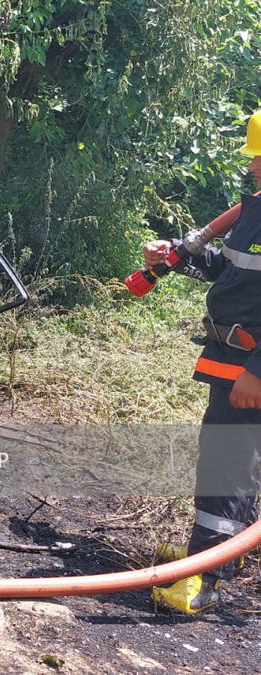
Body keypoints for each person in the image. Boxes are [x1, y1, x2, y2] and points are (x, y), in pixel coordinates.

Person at [145, 111, 261, 614]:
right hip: (229, 358)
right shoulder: (254, 208)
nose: (254, 165)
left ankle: (202, 579)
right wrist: (174, 255)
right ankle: (224, 555)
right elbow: (229, 269)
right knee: (234, 457)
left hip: (251, 368)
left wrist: (259, 371)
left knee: (226, 463)